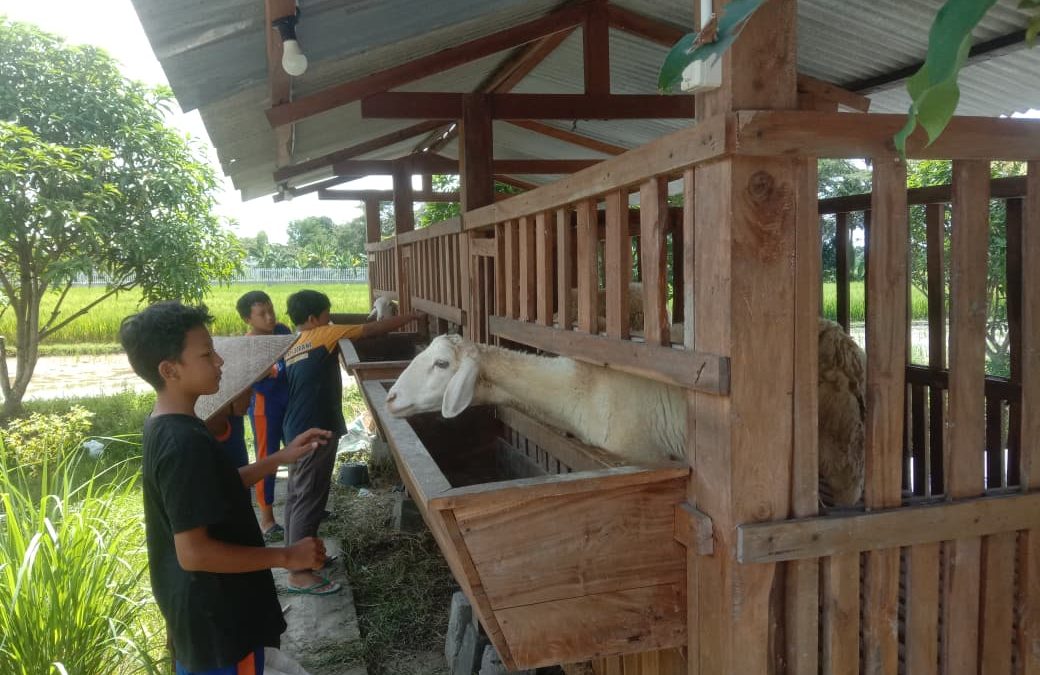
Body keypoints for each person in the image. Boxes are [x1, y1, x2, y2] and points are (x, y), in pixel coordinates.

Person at [119, 301, 331, 675]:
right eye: (206, 354)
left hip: (209, 614)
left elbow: (213, 487)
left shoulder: (169, 423)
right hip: (217, 620)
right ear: (169, 370)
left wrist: (279, 458)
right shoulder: (183, 443)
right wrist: (287, 556)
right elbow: (195, 553)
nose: (219, 362)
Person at [281, 289, 422, 594]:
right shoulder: (323, 334)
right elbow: (372, 329)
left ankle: (302, 556)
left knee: (297, 493)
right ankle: (299, 572)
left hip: (294, 426)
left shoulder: (295, 342)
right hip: (314, 430)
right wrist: (411, 316)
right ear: (313, 318)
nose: (329, 318)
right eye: (326, 313)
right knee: (309, 496)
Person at [236, 290, 293, 542]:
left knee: (298, 451)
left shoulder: (282, 330)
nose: (270, 317)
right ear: (248, 319)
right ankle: (267, 519)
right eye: (262, 314)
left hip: (288, 400)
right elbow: (246, 378)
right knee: (267, 460)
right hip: (263, 406)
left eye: (271, 310)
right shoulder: (248, 345)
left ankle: (303, 503)